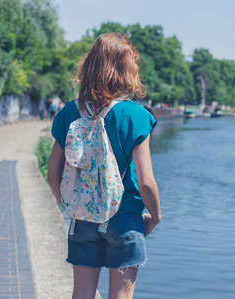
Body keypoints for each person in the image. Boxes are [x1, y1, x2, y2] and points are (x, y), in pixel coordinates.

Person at [47, 32, 161, 299]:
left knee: (82, 294)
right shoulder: (135, 115)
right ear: (126, 71)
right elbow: (146, 181)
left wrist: (71, 207)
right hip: (125, 216)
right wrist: (155, 215)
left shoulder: (68, 112)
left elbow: (53, 173)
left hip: (82, 216)